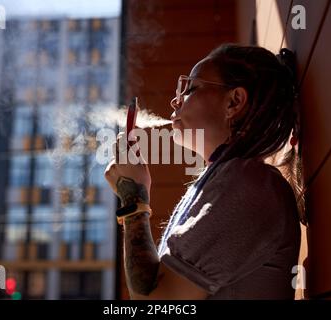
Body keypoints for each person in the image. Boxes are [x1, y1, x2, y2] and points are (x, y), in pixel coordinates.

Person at [104, 44, 304, 299]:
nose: (175, 100)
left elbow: (154, 301)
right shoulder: (228, 180)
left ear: (234, 101)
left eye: (191, 88)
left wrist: (134, 200)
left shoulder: (248, 186)